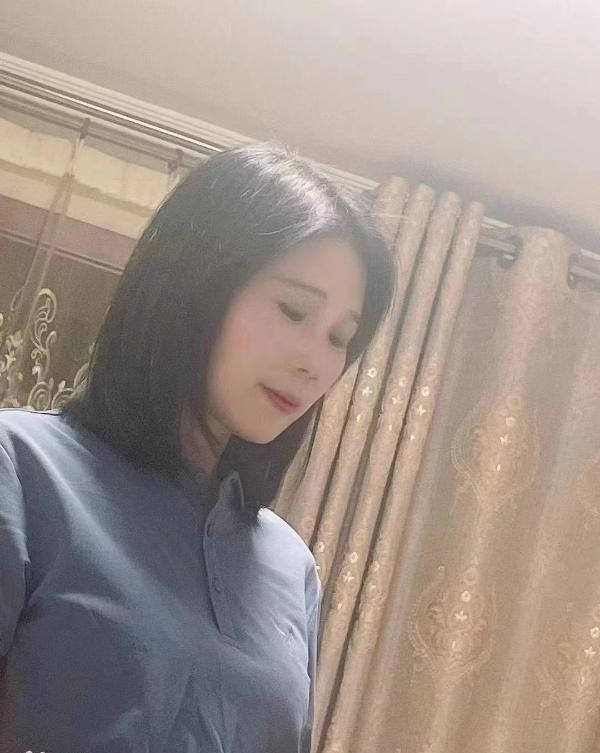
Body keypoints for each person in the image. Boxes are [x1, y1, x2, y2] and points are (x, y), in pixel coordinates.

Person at [0, 143, 395, 753]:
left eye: (340, 338)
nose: (316, 363)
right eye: (293, 310)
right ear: (194, 286)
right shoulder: (22, 468)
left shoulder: (290, 568)